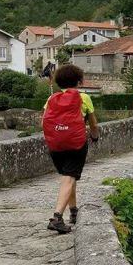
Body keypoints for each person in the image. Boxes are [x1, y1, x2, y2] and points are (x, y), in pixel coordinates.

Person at [42, 64, 99, 233]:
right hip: (76, 143)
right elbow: (94, 124)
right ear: (79, 82)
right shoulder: (84, 98)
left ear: (59, 82)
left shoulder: (51, 99)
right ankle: (57, 217)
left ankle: (73, 211)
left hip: (55, 144)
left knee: (69, 176)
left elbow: (43, 121)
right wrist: (94, 136)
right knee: (69, 177)